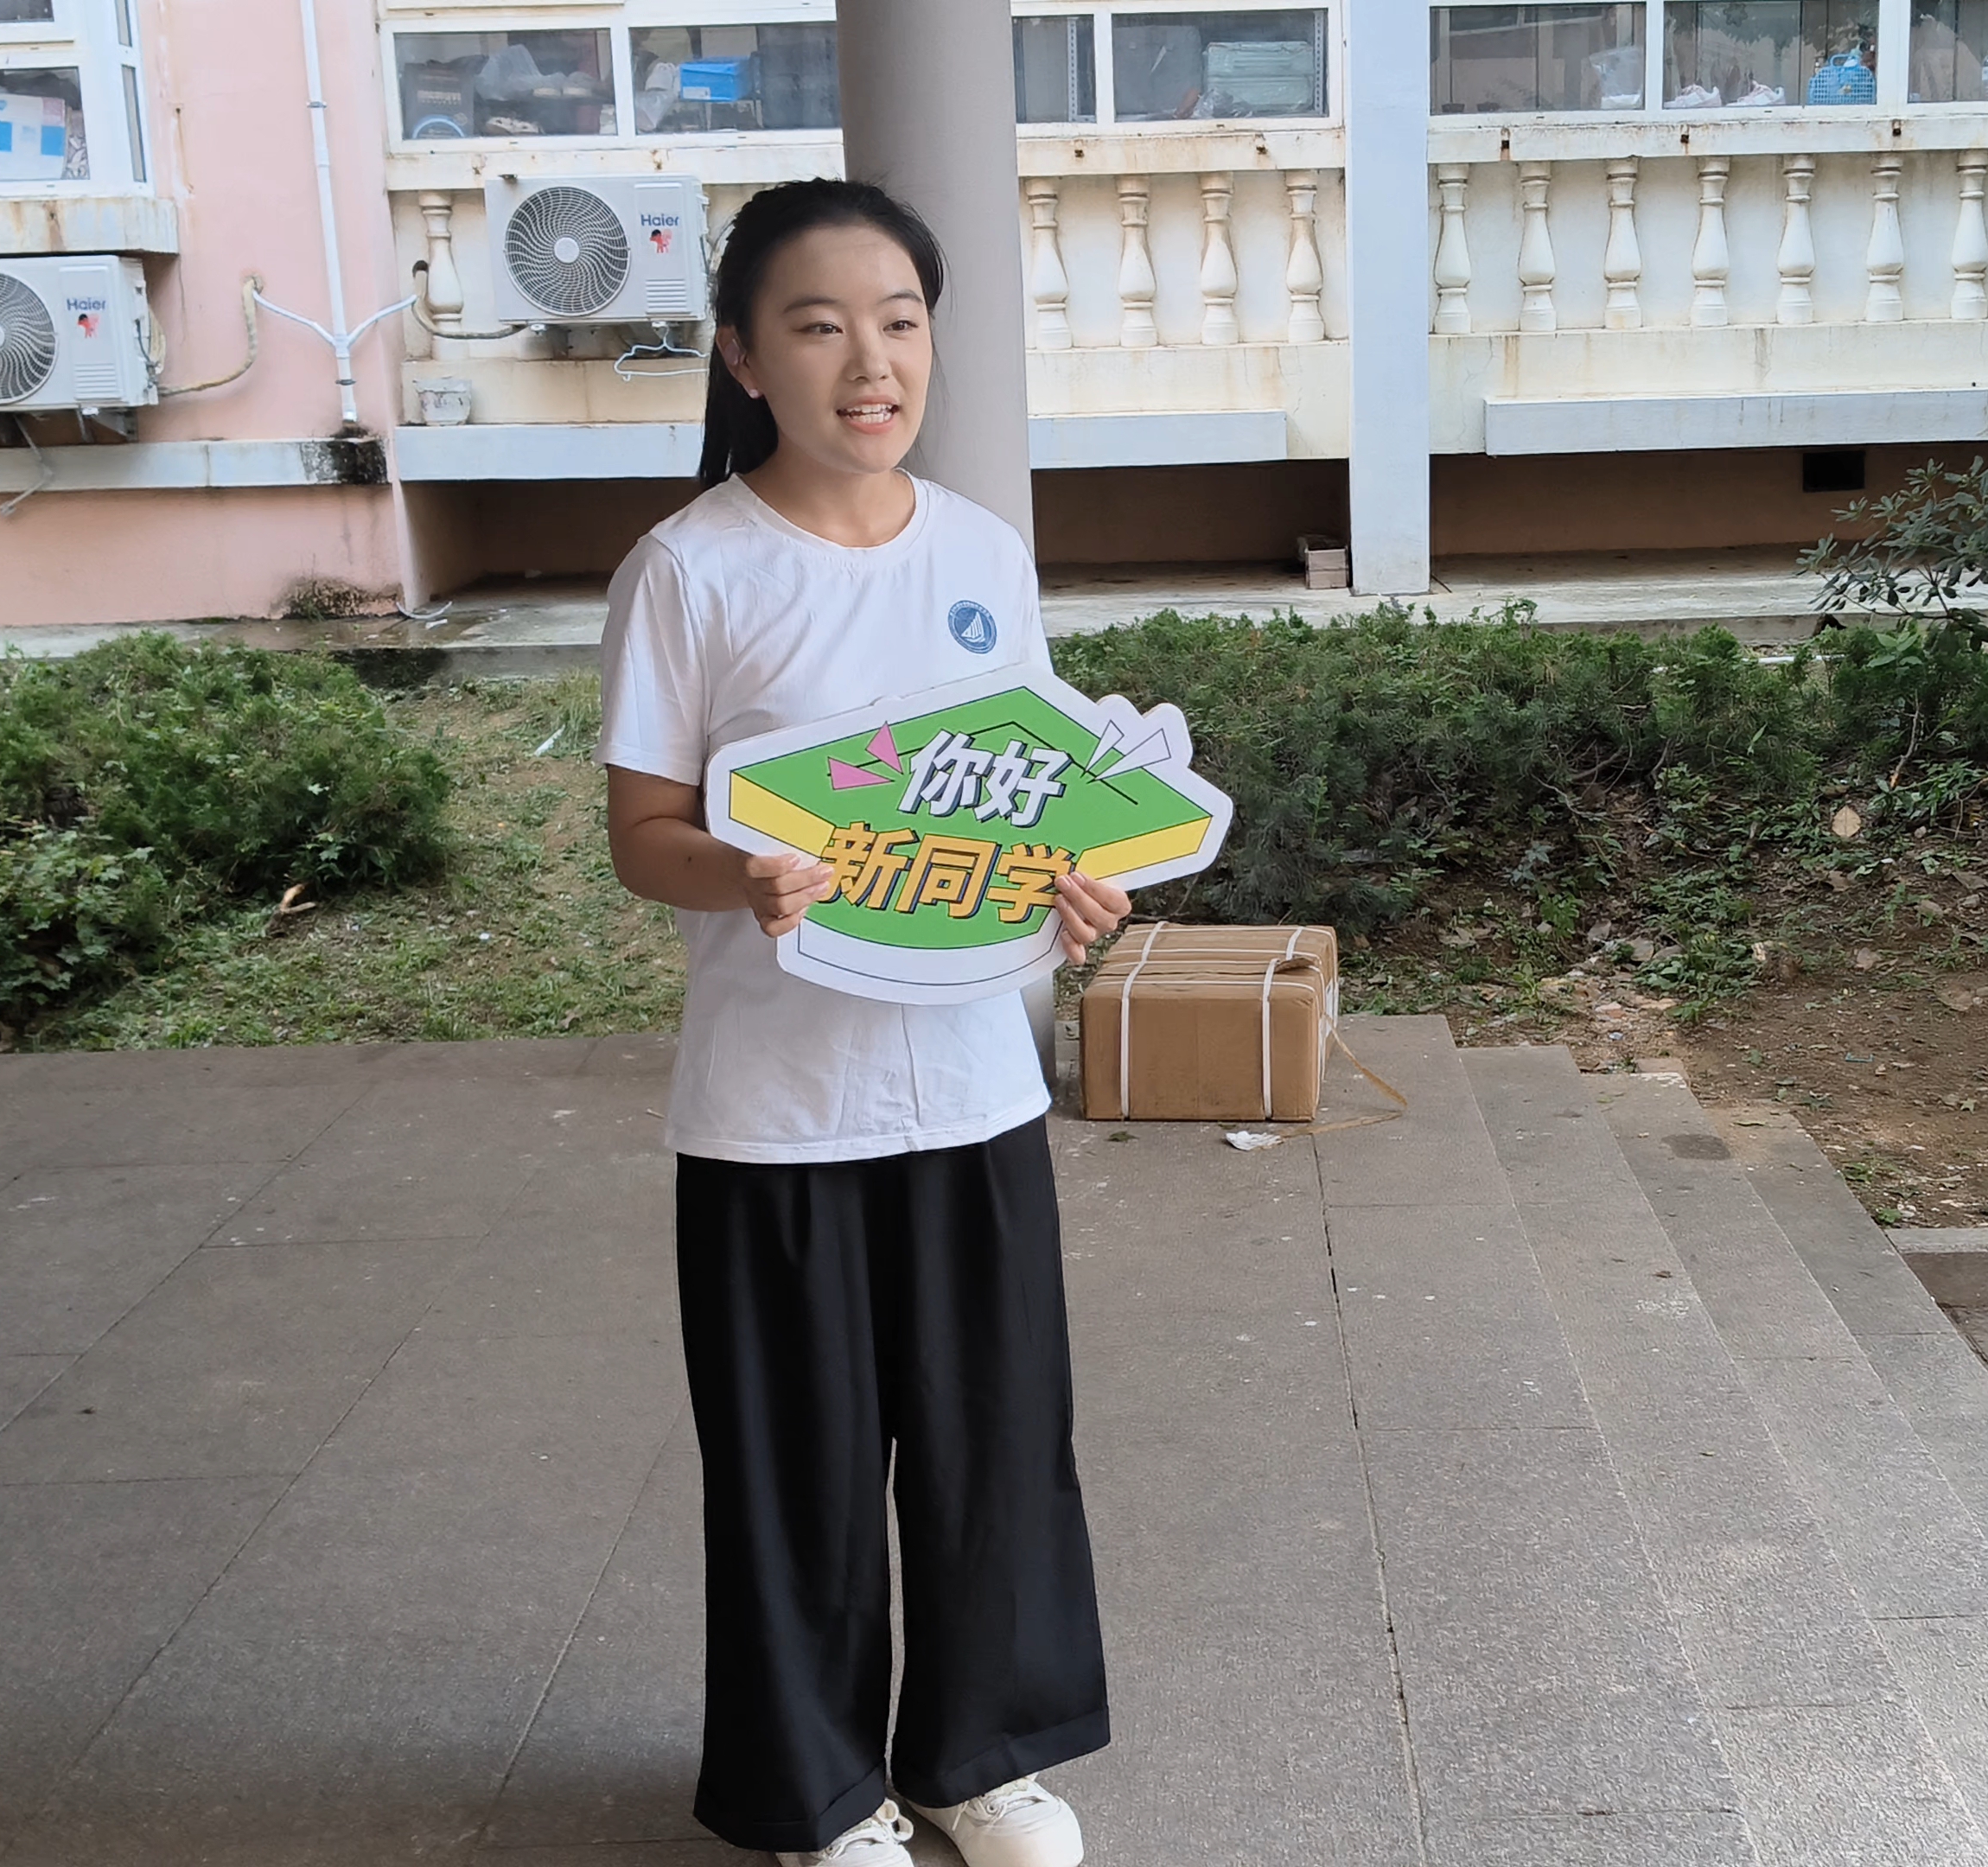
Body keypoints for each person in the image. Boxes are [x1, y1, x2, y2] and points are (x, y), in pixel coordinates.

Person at [597, 179, 1126, 1867]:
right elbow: (640, 834)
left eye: (899, 322)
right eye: (819, 327)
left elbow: (1023, 798)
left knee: (995, 1448)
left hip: (972, 1088)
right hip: (774, 1112)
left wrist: (1073, 886)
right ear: (746, 356)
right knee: (797, 1471)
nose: (870, 361)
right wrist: (741, 873)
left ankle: (980, 1760)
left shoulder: (980, 554)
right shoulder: (689, 571)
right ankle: (820, 1796)